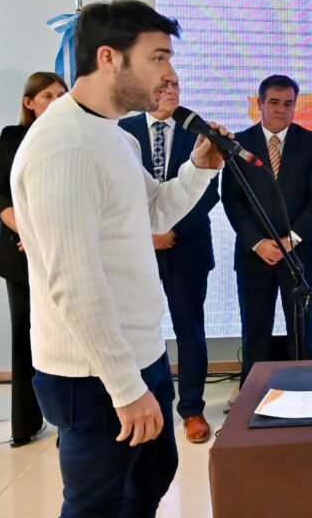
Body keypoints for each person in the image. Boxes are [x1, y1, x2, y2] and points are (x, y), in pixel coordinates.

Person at [10, 0, 228, 517]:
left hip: (141, 352)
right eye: (158, 57)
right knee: (97, 506)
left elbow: (154, 212)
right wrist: (126, 389)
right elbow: (75, 284)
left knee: (150, 481)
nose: (170, 74)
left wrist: (199, 168)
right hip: (93, 375)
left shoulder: (112, 135)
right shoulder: (63, 146)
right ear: (108, 57)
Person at [120, 78, 219, 443]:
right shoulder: (122, 131)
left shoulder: (198, 130)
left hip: (187, 247)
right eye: (163, 85)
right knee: (134, 329)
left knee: (189, 329)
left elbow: (209, 192)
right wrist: (147, 231)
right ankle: (138, 403)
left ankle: (191, 410)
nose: (171, 91)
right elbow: (118, 189)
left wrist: (170, 229)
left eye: (175, 85)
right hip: (135, 248)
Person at [221, 75, 312, 384]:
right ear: (259, 104)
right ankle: (253, 392)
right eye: (274, 102)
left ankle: (305, 389)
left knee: (301, 331)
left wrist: (290, 240)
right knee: (255, 331)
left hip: (299, 255)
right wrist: (258, 243)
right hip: (254, 256)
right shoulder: (238, 144)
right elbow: (231, 200)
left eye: (288, 103)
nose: (281, 109)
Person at [0, 71, 67, 447]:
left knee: (64, 340)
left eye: (61, 95)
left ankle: (67, 422)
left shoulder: (73, 138)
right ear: (29, 102)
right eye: (47, 96)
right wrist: (28, 231)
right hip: (19, 255)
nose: (55, 101)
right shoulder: (11, 137)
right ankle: (25, 424)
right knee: (24, 335)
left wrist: (45, 235)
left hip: (62, 252)